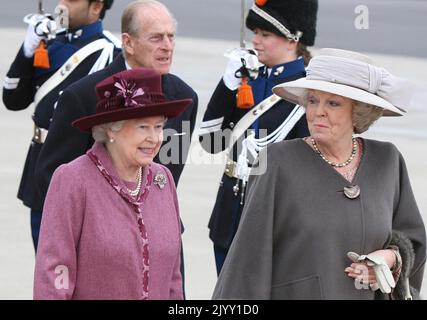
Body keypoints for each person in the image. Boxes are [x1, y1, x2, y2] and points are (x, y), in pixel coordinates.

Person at [212, 48, 426, 300]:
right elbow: (248, 261)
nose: (318, 112)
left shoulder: (387, 161)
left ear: (358, 111)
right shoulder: (278, 162)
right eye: (313, 100)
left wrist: (389, 259)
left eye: (333, 103)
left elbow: (413, 242)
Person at [33, 0, 198, 295]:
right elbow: (51, 183)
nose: (167, 46)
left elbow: (169, 172)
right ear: (128, 43)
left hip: (157, 245)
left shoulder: (185, 97)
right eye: (156, 37)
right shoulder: (82, 96)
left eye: (171, 36)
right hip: (98, 253)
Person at [199, 0, 318, 275]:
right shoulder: (245, 81)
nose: (255, 41)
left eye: (265, 35)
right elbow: (211, 142)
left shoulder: (308, 92)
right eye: (255, 33)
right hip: (229, 219)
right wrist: (228, 85)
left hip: (273, 223)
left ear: (293, 39)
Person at [2, 0, 120, 251]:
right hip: (40, 161)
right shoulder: (49, 43)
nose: (62, 4)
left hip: (77, 163)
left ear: (96, 6)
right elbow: (13, 100)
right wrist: (27, 49)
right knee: (46, 263)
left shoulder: (111, 53)